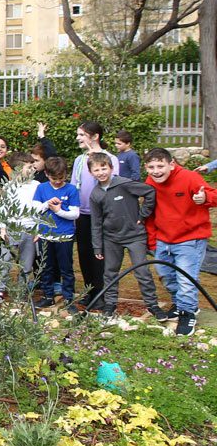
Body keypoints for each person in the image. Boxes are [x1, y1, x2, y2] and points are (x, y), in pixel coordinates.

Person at [144, 148, 217, 336]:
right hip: (163, 238)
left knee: (186, 278)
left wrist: (205, 198)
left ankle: (187, 312)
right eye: (151, 167)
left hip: (190, 238)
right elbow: (150, 213)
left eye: (160, 166)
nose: (156, 170)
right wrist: (152, 241)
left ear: (171, 164)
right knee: (167, 276)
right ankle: (181, 303)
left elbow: (213, 195)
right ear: (146, 168)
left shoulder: (190, 178)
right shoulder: (150, 182)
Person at [88, 152, 163, 319]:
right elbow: (96, 222)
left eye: (104, 168)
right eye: (96, 170)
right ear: (91, 173)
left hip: (135, 236)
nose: (101, 172)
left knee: (142, 271)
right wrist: (97, 246)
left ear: (111, 168)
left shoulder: (124, 184)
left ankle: (153, 305)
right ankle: (110, 304)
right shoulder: (95, 194)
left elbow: (150, 192)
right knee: (110, 272)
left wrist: (143, 214)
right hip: (111, 238)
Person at [70, 122, 120, 308]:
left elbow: (112, 185)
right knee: (84, 254)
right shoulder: (79, 160)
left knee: (100, 255)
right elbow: (75, 185)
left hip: (102, 215)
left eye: (82, 134)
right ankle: (90, 291)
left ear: (95, 136)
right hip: (82, 214)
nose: (78, 138)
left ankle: (102, 294)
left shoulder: (110, 159)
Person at [32, 157, 81, 313]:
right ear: (46, 174)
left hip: (64, 236)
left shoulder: (71, 189)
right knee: (46, 267)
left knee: (66, 268)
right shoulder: (41, 188)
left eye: (61, 178)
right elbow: (35, 210)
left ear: (66, 174)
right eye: (54, 178)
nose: (58, 181)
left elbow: (75, 214)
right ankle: (48, 296)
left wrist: (59, 211)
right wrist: (47, 204)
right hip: (46, 235)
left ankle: (68, 298)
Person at [0, 152, 41, 296]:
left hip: (29, 229)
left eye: (33, 167)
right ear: (17, 169)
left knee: (26, 265)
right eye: (29, 167)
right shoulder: (9, 187)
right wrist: (2, 228)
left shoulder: (37, 186)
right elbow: (3, 209)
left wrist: (38, 228)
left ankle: (21, 294)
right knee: (5, 262)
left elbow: (39, 209)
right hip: (11, 228)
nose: (32, 170)